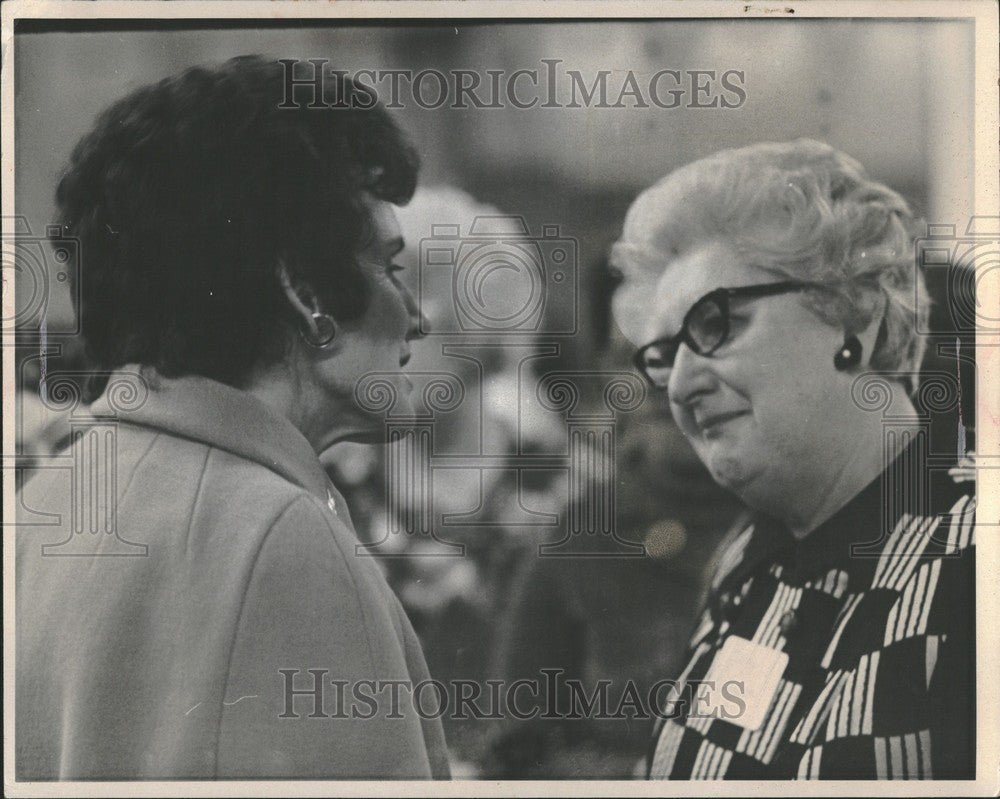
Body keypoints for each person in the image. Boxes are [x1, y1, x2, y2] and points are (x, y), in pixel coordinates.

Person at [16, 55, 450, 780]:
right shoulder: (281, 536)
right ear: (305, 289)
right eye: (391, 268)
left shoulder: (47, 499)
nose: (417, 317)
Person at [610, 139, 975, 779]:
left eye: (715, 324)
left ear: (852, 313)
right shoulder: (745, 560)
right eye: (664, 354)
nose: (678, 384)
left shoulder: (974, 559)